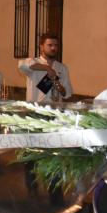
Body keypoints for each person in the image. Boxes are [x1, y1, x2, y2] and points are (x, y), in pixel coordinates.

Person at [18, 33, 73, 203]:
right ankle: (32, 191)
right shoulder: (33, 63)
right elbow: (22, 65)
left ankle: (55, 194)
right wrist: (47, 69)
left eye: (55, 45)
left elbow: (68, 93)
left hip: (54, 115)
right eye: (49, 45)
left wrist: (59, 86)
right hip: (34, 115)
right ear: (41, 46)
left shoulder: (62, 68)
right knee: (32, 155)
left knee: (54, 154)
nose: (53, 48)